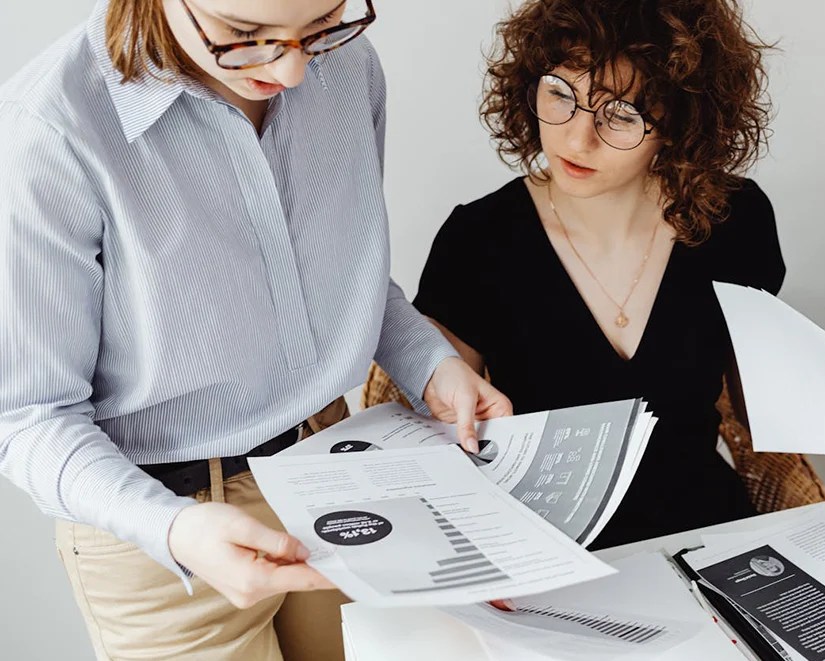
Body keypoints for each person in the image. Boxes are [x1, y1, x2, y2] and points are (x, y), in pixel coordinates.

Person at [0, 0, 510, 658]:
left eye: (322, 23)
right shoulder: (49, 131)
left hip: (338, 471)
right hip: (161, 533)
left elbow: (340, 273)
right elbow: (29, 418)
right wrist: (174, 528)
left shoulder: (348, 67)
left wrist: (430, 363)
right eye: (244, 35)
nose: (293, 71)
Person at [413, 0, 825, 550]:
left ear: (680, 123)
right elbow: (436, 432)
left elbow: (761, 399)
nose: (576, 139)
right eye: (560, 94)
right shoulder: (479, 239)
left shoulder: (733, 220)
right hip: (545, 552)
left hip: (706, 542)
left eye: (620, 115)